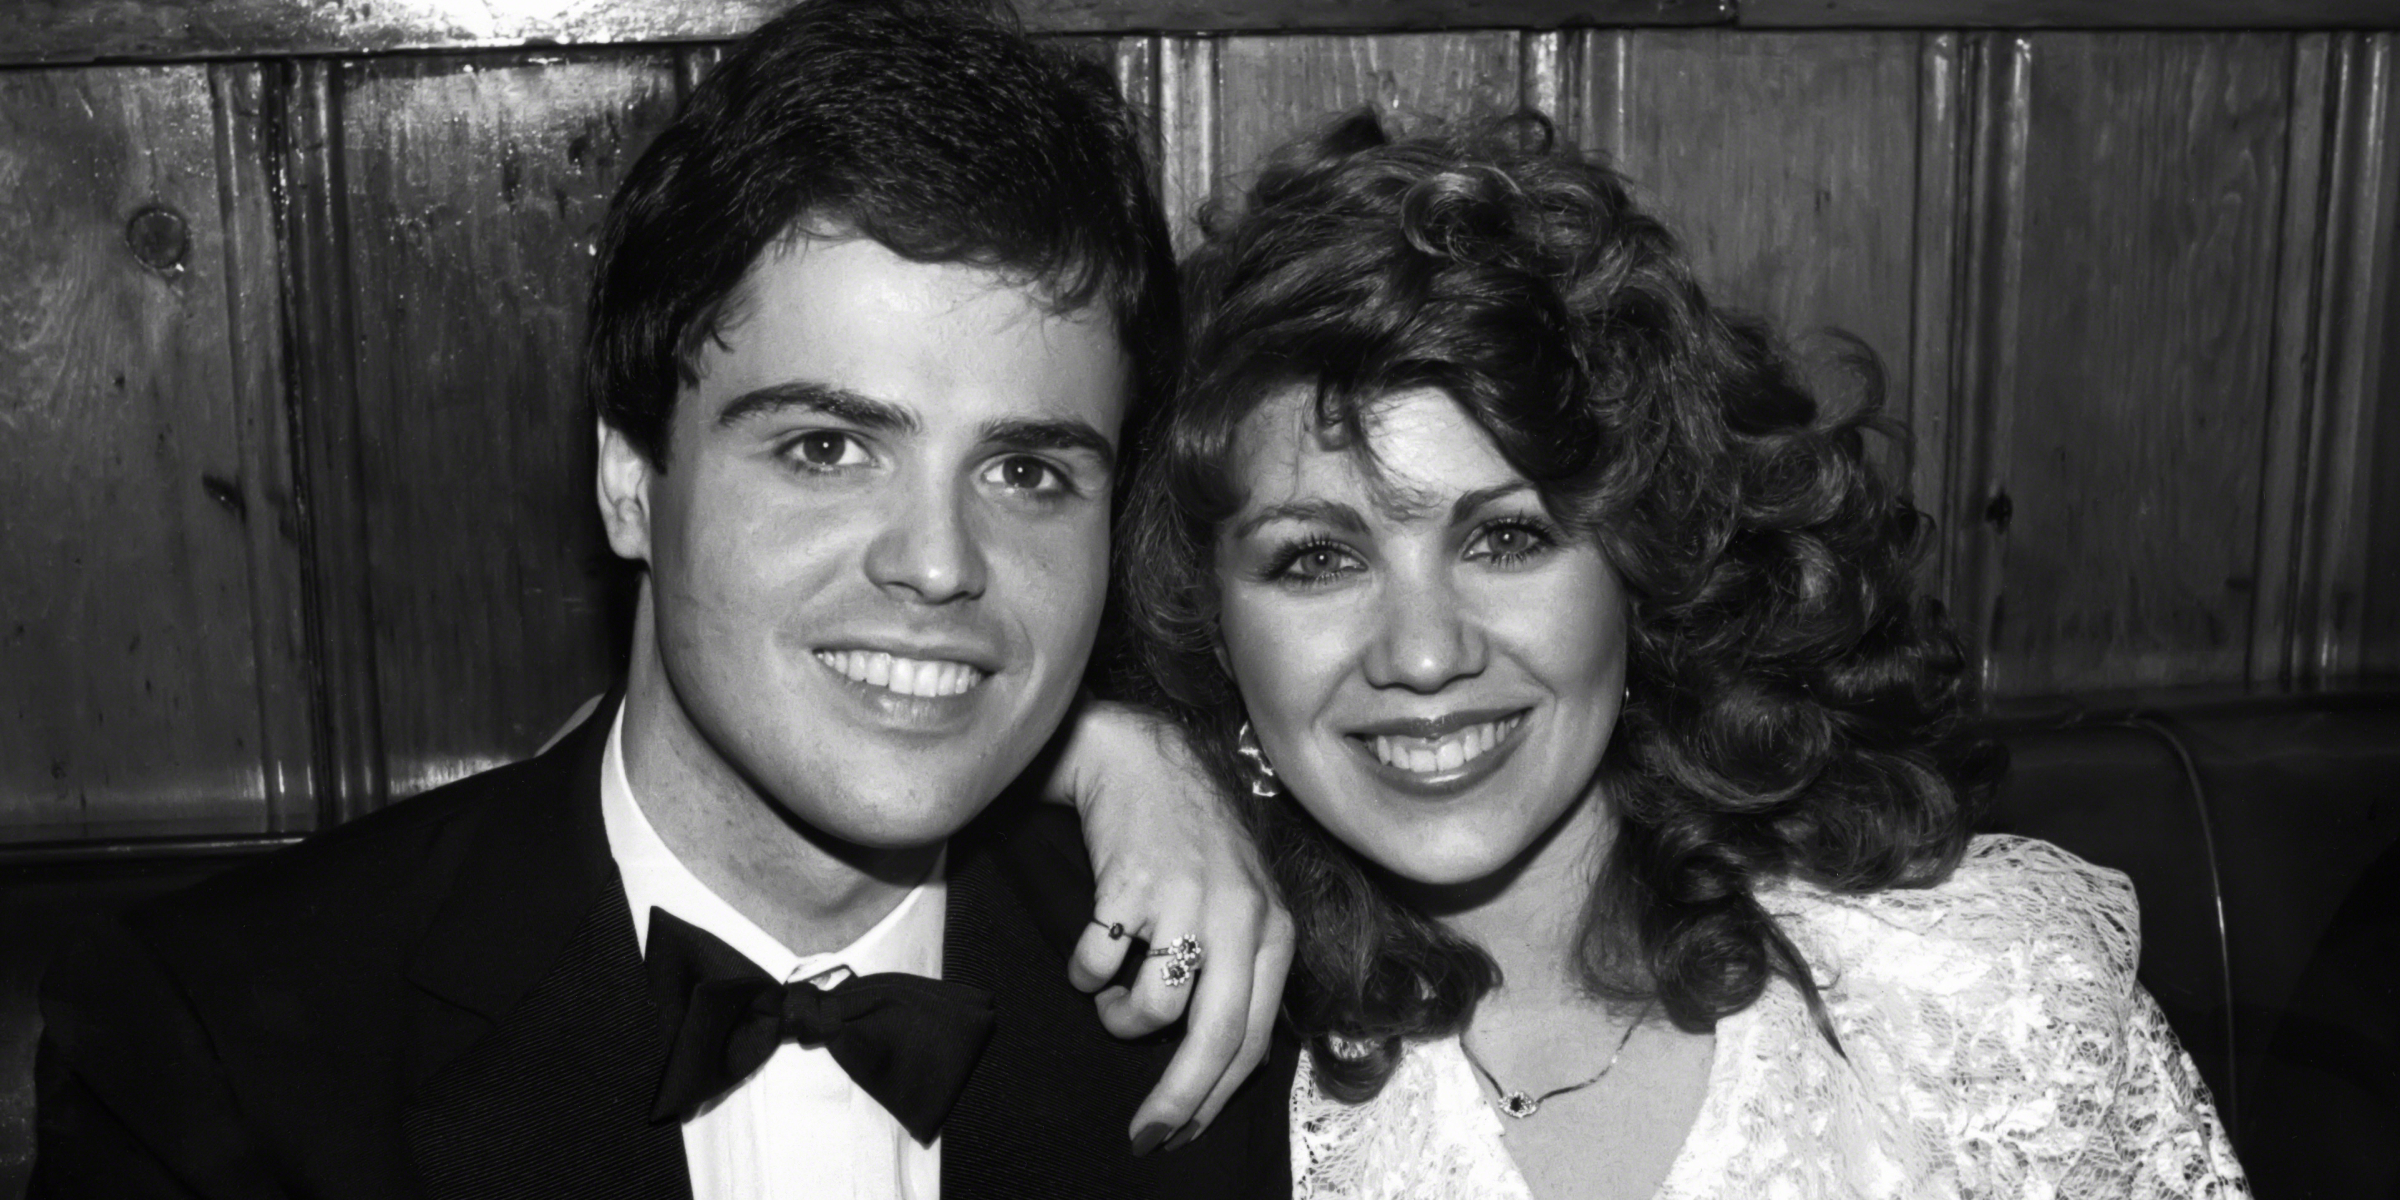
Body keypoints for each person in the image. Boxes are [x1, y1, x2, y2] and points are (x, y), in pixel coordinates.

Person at [30, 2, 1297, 1196]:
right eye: (826, 449)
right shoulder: (222, 1047)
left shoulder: (1213, 990)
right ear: (630, 479)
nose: (937, 562)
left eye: (1025, 471)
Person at [1118, 109, 2249, 1198]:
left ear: (1642, 565)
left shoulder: (1973, 1012)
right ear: (1210, 622)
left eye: (1507, 537)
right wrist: (1117, 751)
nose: (1423, 655)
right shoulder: (1159, 1057)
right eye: (1317, 560)